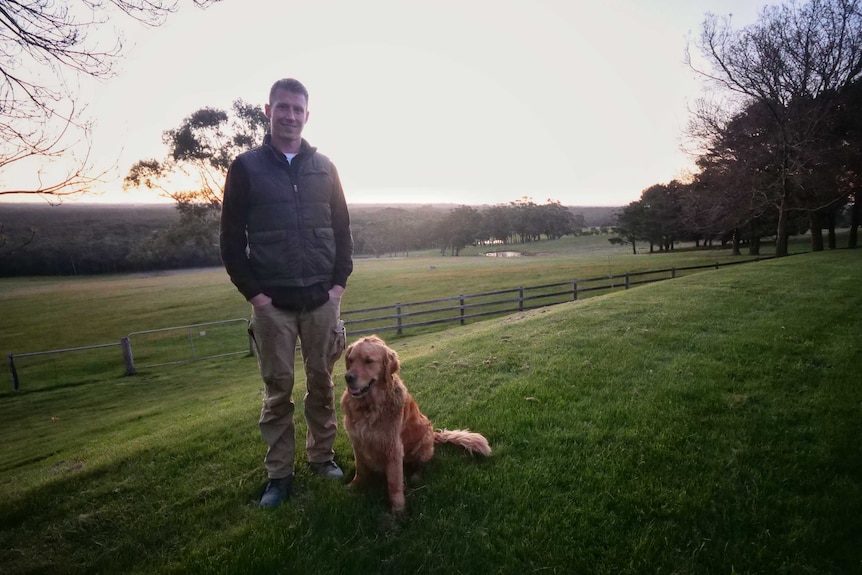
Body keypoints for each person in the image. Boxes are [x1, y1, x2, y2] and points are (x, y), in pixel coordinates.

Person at [219, 78, 354, 508]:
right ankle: (279, 477)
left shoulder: (326, 168)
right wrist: (256, 296)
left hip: (321, 301)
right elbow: (229, 240)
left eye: (298, 109)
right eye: (283, 107)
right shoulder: (245, 167)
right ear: (268, 111)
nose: (290, 115)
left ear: (307, 115)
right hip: (272, 305)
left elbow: (343, 231)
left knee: (322, 385)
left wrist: (337, 288)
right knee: (277, 391)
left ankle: (322, 458)